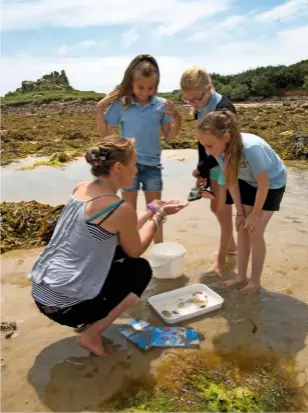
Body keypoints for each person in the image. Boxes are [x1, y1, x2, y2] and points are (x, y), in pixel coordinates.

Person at [28, 136, 187, 356]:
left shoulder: (81, 189)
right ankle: (91, 334)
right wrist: (159, 216)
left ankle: (86, 320)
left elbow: (121, 227)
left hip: (41, 293)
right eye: (134, 165)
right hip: (64, 307)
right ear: (119, 167)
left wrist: (151, 208)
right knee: (139, 269)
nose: (137, 171)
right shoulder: (118, 207)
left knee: (115, 251)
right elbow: (135, 249)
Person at [197, 110, 287, 292]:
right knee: (241, 227)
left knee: (254, 231)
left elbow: (264, 183)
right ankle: (241, 276)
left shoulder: (251, 148)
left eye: (209, 146)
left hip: (272, 182)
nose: (208, 151)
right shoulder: (219, 151)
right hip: (246, 180)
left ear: (226, 136)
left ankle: (254, 282)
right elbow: (231, 180)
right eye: (204, 146)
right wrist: (239, 212)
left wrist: (254, 214)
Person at [96, 54, 182, 244]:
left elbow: (170, 137)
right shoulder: (121, 104)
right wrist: (100, 107)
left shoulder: (161, 105)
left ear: (156, 85)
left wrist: (177, 117)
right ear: (131, 84)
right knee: (129, 213)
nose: (145, 92)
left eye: (151, 88)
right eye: (140, 87)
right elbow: (104, 135)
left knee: (156, 211)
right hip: (127, 166)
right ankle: (130, 252)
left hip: (152, 166)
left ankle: (160, 252)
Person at [180, 66, 237, 275]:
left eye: (196, 99)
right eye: (188, 100)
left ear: (209, 88)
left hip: (225, 165)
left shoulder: (224, 109)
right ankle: (231, 247)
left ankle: (221, 263)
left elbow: (224, 147)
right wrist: (201, 171)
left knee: (223, 212)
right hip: (212, 165)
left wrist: (202, 168)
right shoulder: (200, 108)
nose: (193, 104)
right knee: (215, 209)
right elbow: (202, 143)